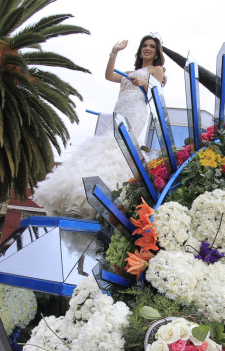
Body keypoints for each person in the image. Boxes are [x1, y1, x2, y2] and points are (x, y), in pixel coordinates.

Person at [32, 34, 167, 219]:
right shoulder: (129, 71)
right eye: (145, 45)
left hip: (137, 110)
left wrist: (144, 82)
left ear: (157, 51)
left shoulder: (156, 69)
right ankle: (82, 191)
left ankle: (114, 193)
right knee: (107, 144)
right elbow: (109, 75)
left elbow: (157, 90)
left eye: (152, 46)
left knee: (122, 145)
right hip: (119, 109)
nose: (148, 48)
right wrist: (114, 52)